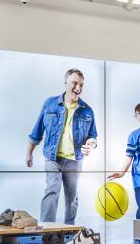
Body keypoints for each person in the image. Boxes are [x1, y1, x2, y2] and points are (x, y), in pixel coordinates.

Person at [27, 68, 98, 224]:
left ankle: (69, 231)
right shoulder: (50, 103)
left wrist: (91, 145)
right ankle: (48, 231)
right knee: (51, 191)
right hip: (53, 158)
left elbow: (93, 136)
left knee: (72, 197)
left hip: (75, 160)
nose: (78, 88)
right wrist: (29, 153)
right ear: (65, 82)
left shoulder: (87, 110)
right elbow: (37, 130)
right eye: (74, 83)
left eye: (81, 85)